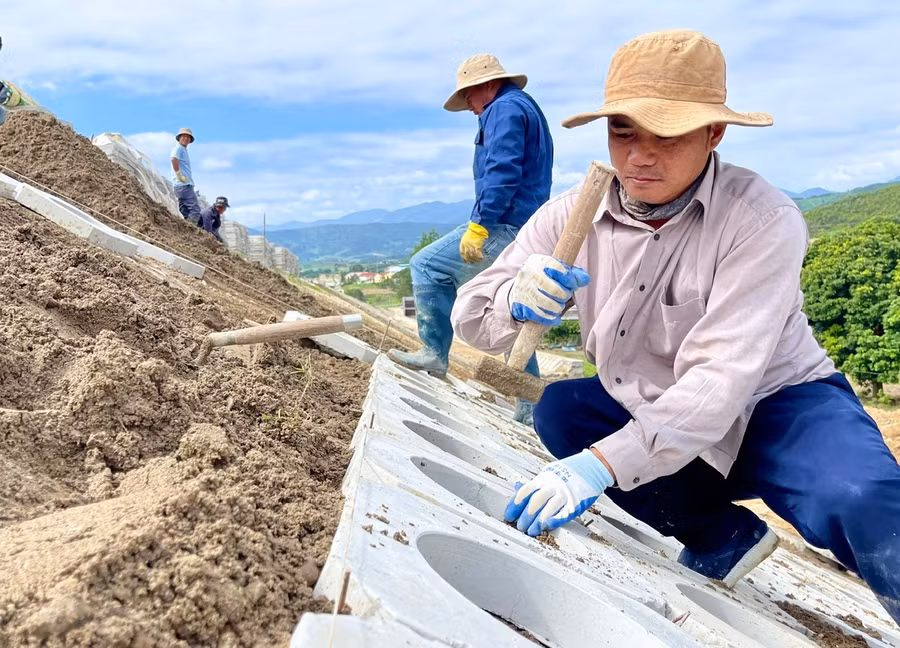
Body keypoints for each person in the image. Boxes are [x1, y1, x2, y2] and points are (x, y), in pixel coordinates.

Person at [451, 29, 900, 623]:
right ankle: (721, 536)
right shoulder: (572, 216)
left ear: (715, 133)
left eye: (667, 133)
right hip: (653, 404)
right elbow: (473, 321)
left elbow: (719, 381)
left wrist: (601, 467)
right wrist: (516, 298)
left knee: (860, 496)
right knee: (564, 410)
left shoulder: (761, 219)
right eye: (623, 131)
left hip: (779, 406)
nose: (640, 155)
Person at [389, 53, 553, 424]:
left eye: (469, 100)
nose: (471, 109)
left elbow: (502, 170)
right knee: (507, 307)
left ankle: (434, 354)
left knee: (426, 266)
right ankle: (530, 410)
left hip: (504, 223)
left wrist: (480, 224)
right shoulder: (523, 107)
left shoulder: (504, 110)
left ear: (485, 87)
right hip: (525, 225)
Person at [171, 128, 202, 226]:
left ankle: (185, 228)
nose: (186, 138)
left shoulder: (183, 150)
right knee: (195, 209)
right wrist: (179, 174)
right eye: (184, 136)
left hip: (179, 185)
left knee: (184, 209)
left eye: (188, 137)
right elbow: (173, 159)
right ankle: (192, 230)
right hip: (183, 184)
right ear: (179, 138)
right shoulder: (179, 148)